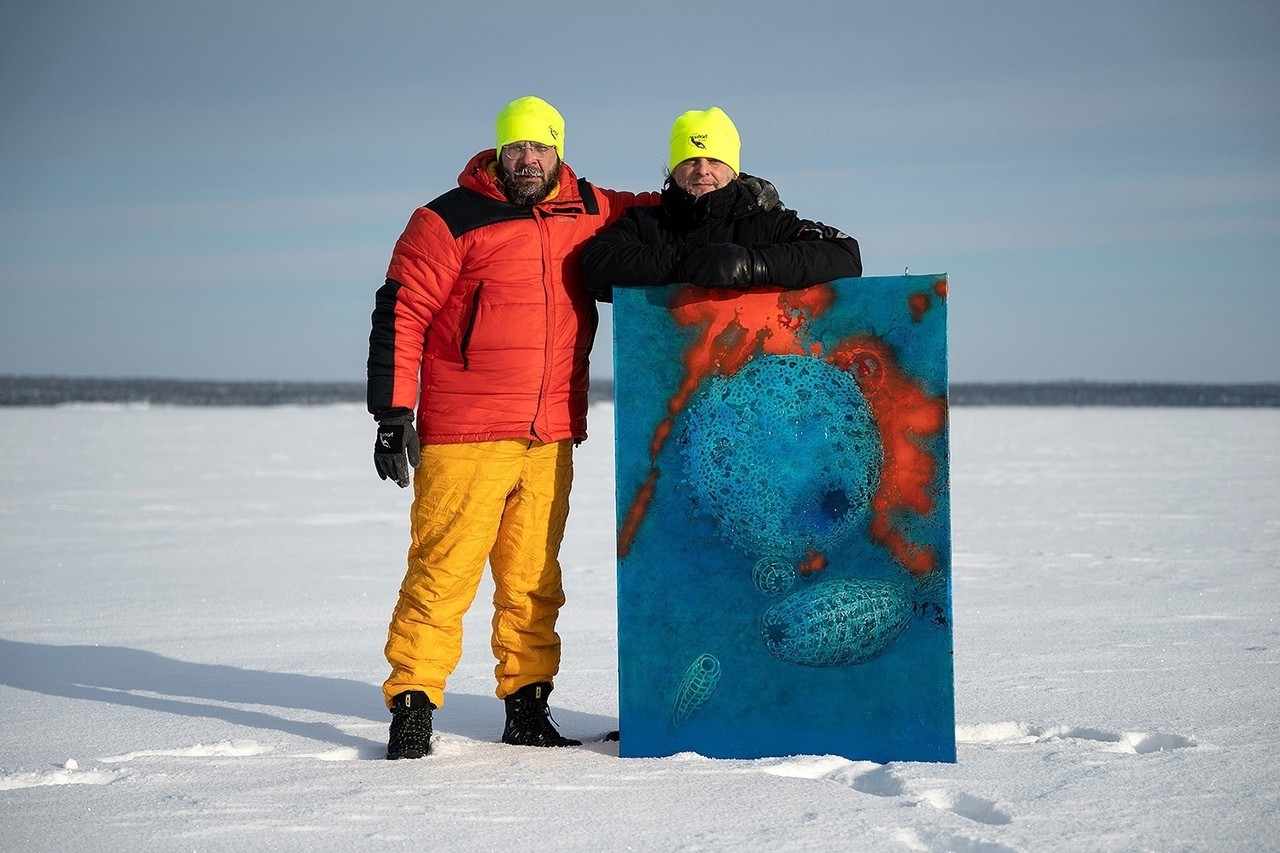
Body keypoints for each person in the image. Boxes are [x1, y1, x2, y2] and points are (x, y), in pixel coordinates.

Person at [366, 96, 661, 760]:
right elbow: (402, 310)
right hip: (465, 431)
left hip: (551, 433)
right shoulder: (447, 218)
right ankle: (412, 704)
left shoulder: (587, 207)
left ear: (558, 151)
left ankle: (527, 706)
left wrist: (734, 197)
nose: (529, 158)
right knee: (442, 573)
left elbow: (669, 210)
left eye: (541, 146)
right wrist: (392, 414)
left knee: (533, 579)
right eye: (517, 147)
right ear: (498, 152)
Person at [581, 106, 861, 299]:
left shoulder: (766, 220)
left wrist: (752, 265)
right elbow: (596, 264)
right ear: (674, 168)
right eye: (690, 160)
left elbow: (845, 254)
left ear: (733, 169)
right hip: (672, 378)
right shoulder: (647, 224)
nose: (702, 170)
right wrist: (685, 262)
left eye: (714, 160)